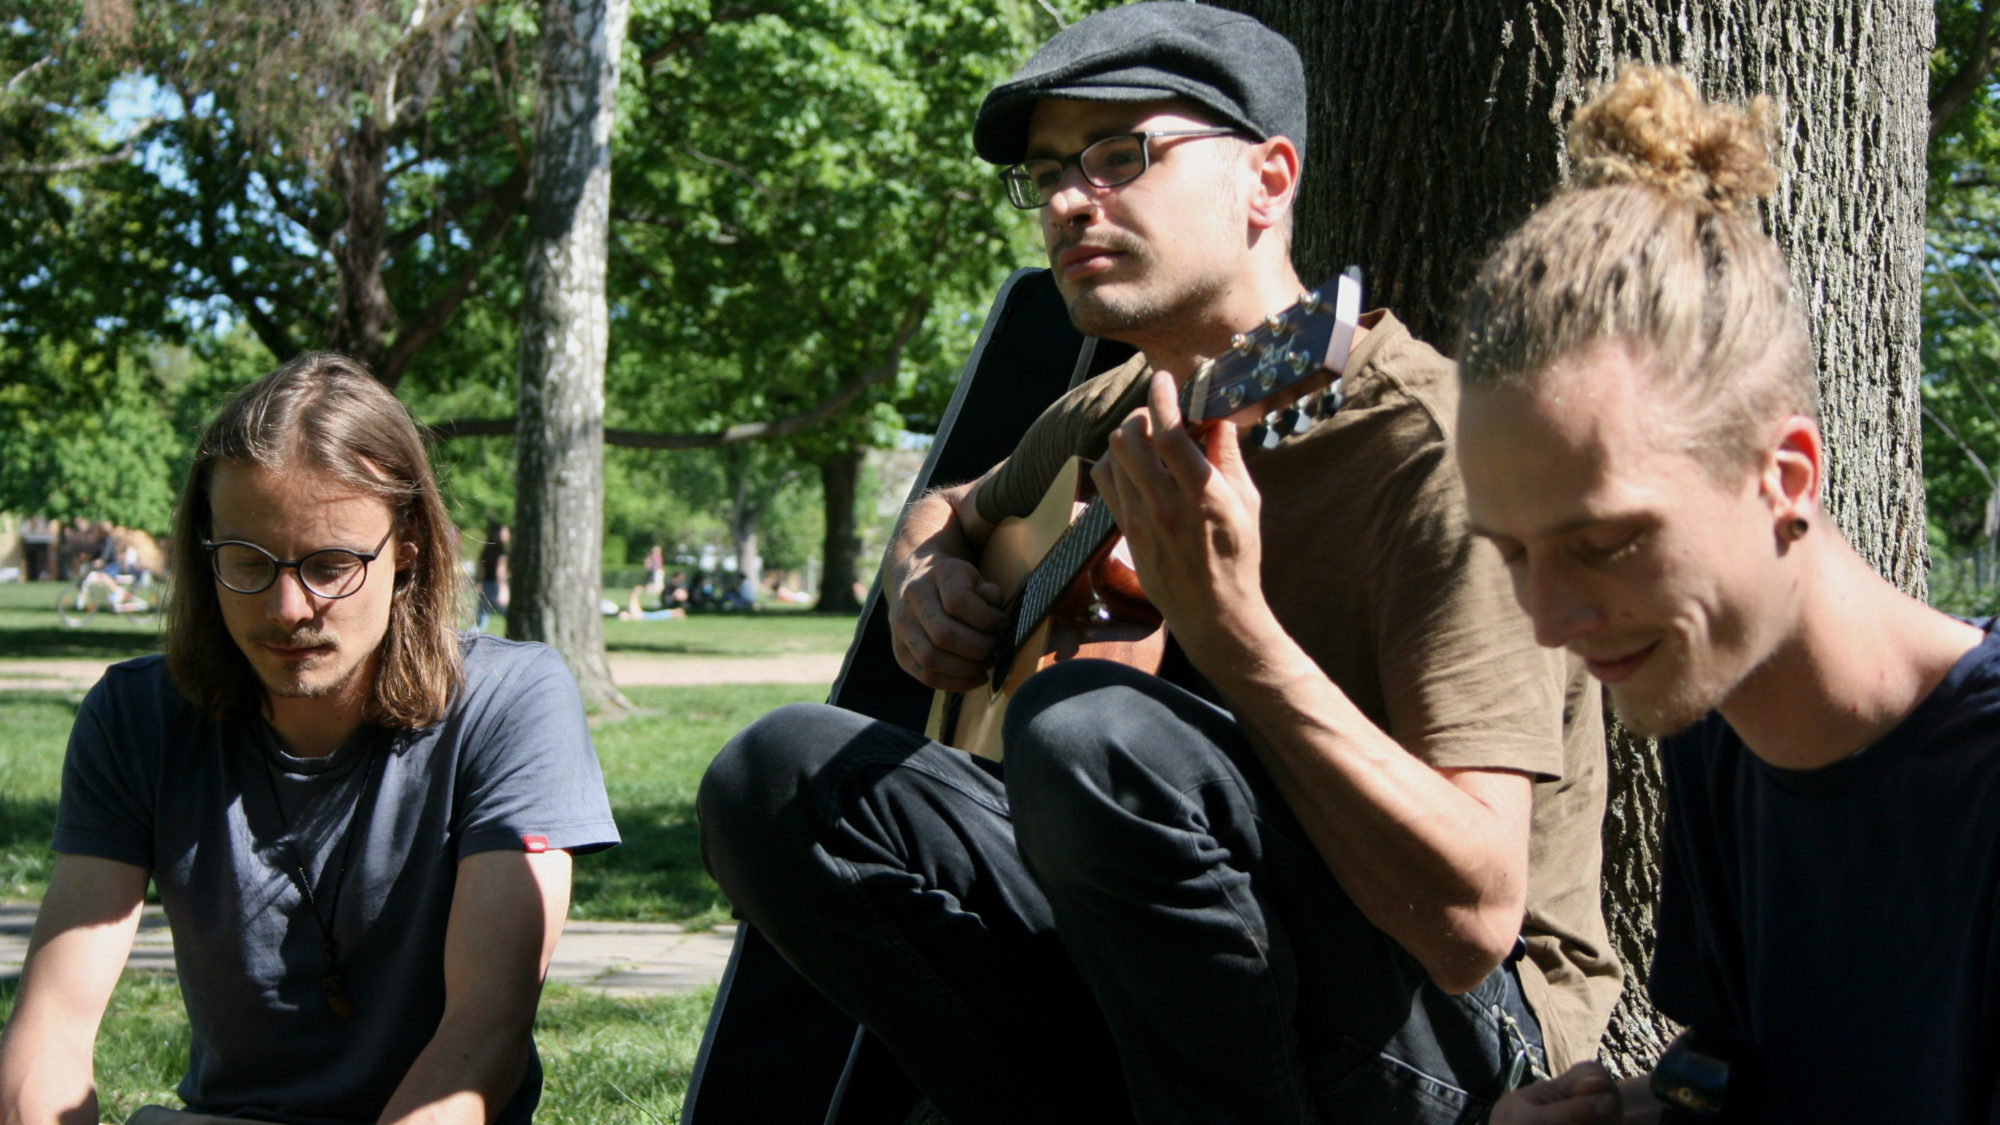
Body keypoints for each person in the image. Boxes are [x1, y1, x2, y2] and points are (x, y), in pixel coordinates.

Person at [697, 5, 1617, 1122]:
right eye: (1043, 176)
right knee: (781, 773)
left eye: (1119, 155)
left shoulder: (1427, 454)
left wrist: (1232, 634)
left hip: (1437, 1032)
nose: (1066, 201)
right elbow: (949, 504)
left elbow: (1472, 920)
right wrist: (923, 574)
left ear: (1266, 180)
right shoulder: (1108, 412)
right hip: (1167, 994)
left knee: (1093, 733)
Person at [1458, 68, 2000, 1124]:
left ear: (1783, 477)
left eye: (1602, 542)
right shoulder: (1714, 727)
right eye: (1512, 554)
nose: (1546, 620)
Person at [0, 353, 620, 1125]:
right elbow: (52, 1028)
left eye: (332, 564)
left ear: (409, 551)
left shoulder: (513, 702)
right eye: (247, 563)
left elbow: (483, 1034)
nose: (289, 606)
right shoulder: (137, 717)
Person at [476, 522, 510, 632]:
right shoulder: (501, 551)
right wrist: (503, 588)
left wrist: (481, 582)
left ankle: (471, 638)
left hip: (486, 585)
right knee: (507, 614)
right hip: (495, 586)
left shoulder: (487, 549)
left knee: (482, 619)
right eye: (505, 531)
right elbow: (500, 570)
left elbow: (481, 567)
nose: (508, 534)